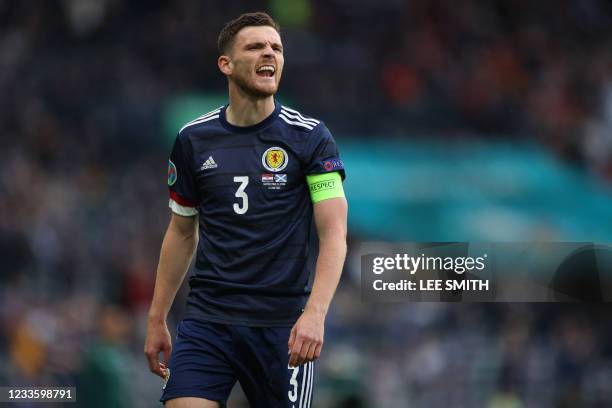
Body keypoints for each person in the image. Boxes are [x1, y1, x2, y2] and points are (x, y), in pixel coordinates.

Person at [144, 12, 348, 408]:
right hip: (208, 321)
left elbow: (334, 234)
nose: (269, 54)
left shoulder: (310, 138)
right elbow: (181, 231)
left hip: (281, 327)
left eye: (276, 48)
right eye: (255, 47)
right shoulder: (193, 140)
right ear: (226, 64)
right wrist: (156, 317)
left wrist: (315, 315)